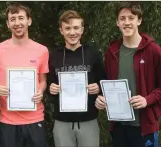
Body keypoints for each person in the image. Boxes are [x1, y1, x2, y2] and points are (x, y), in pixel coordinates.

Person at [95, 2, 161, 147]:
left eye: (131, 18)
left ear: (139, 20)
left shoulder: (153, 51)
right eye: (122, 18)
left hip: (144, 127)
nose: (127, 22)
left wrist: (147, 100)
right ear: (117, 22)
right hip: (119, 126)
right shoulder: (112, 52)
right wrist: (101, 97)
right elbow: (106, 83)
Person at [0, 3, 49, 147]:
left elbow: (43, 80)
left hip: (35, 119)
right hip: (7, 121)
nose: (17, 23)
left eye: (21, 18)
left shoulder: (42, 50)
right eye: (13, 19)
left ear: (29, 21)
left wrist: (40, 91)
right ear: (7, 24)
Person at [47, 10, 106, 147]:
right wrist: (51, 88)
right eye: (67, 28)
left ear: (82, 29)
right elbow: (48, 85)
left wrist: (98, 88)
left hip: (88, 120)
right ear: (61, 30)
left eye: (76, 28)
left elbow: (104, 82)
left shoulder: (93, 53)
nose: (72, 32)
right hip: (62, 122)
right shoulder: (54, 55)